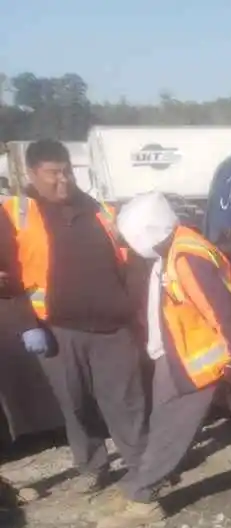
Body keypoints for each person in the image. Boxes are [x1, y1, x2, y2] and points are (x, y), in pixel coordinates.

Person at [0, 139, 147, 498]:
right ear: (33, 173)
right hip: (57, 330)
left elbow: (129, 260)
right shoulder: (16, 213)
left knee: (127, 401)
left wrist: (131, 307)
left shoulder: (99, 210)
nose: (62, 180)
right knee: (74, 404)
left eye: (66, 171)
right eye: (53, 173)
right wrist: (27, 325)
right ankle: (92, 466)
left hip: (113, 327)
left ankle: (144, 467)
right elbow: (6, 278)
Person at [96, 192, 231, 528]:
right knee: (161, 422)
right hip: (176, 354)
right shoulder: (174, 248)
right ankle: (137, 486)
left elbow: (220, 310)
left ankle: (143, 501)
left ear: (144, 233)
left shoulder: (187, 257)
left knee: (171, 432)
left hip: (198, 361)